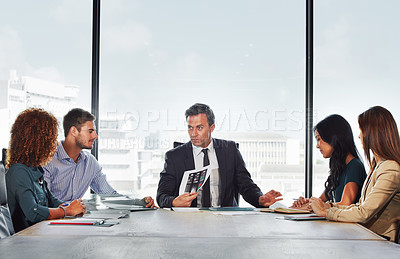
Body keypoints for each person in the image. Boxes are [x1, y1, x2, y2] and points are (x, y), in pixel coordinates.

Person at [157, 103, 282, 208]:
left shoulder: (230, 150)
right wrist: (174, 202)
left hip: (226, 221)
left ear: (212, 128)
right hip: (190, 223)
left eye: (199, 127)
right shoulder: (174, 156)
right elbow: (162, 196)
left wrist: (260, 199)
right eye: (190, 128)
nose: (193, 134)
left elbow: (246, 186)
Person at [310, 106, 400, 242]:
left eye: (361, 131)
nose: (359, 136)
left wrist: (325, 212)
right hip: (367, 236)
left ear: (372, 133)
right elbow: (360, 206)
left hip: (380, 241)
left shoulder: (390, 168)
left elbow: (364, 213)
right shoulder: (377, 165)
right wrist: (328, 206)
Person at [43, 108, 155, 208]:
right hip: (49, 222)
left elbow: (109, 195)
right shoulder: (48, 160)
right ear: (74, 131)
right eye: (90, 131)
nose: (95, 136)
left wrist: (139, 202)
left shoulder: (90, 162)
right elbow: (44, 201)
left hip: (75, 221)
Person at [5, 108, 86, 232]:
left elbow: (50, 200)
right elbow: (33, 212)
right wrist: (66, 211)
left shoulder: (35, 169)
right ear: (38, 142)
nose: (57, 144)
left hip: (41, 232)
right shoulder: (18, 172)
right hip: (26, 240)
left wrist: (69, 206)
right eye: (52, 139)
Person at [292, 115, 366, 209]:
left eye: (319, 139)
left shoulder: (355, 166)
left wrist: (315, 205)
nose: (317, 146)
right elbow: (320, 202)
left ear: (333, 137)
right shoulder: (339, 169)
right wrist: (301, 205)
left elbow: (345, 204)